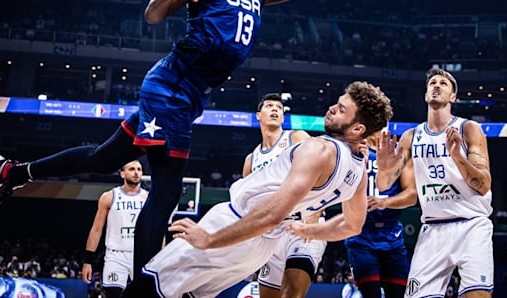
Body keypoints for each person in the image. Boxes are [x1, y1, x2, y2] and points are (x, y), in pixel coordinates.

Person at [0, 0, 358, 278]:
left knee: (102, 159)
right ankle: (146, 285)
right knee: (168, 189)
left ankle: (12, 174)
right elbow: (153, 15)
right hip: (169, 88)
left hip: (187, 97)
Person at [121, 81, 393, 298]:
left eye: (341, 110)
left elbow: (272, 213)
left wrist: (210, 239)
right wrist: (310, 230)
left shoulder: (318, 148)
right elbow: (353, 225)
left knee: (146, 286)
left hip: (239, 222)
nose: (333, 108)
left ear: (358, 128)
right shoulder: (358, 169)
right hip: (260, 248)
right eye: (337, 103)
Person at [376, 68, 494, 298]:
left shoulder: (468, 129)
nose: (436, 86)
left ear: (452, 97)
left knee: (476, 295)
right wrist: (383, 168)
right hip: (432, 228)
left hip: (471, 224)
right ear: (425, 94)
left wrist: (458, 157)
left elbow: (484, 184)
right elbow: (384, 184)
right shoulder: (411, 136)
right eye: (432, 83)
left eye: (443, 83)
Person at [242, 93, 323, 298]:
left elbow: (321, 168)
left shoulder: (295, 137)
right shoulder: (251, 160)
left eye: (279, 107)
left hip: (303, 226)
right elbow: (247, 203)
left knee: (293, 292)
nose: (276, 109)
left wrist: (315, 211)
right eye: (269, 106)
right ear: (258, 115)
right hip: (271, 233)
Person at [344, 130, 416, 298]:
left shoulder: (400, 153)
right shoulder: (351, 151)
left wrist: (385, 202)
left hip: (392, 236)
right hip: (360, 237)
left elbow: (412, 196)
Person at [80, 160, 148, 298]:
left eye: (139, 169)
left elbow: (157, 230)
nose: (136, 172)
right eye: (132, 169)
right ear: (122, 174)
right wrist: (88, 261)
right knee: (113, 294)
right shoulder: (109, 197)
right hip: (116, 255)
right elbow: (96, 229)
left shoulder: (148, 197)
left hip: (141, 255)